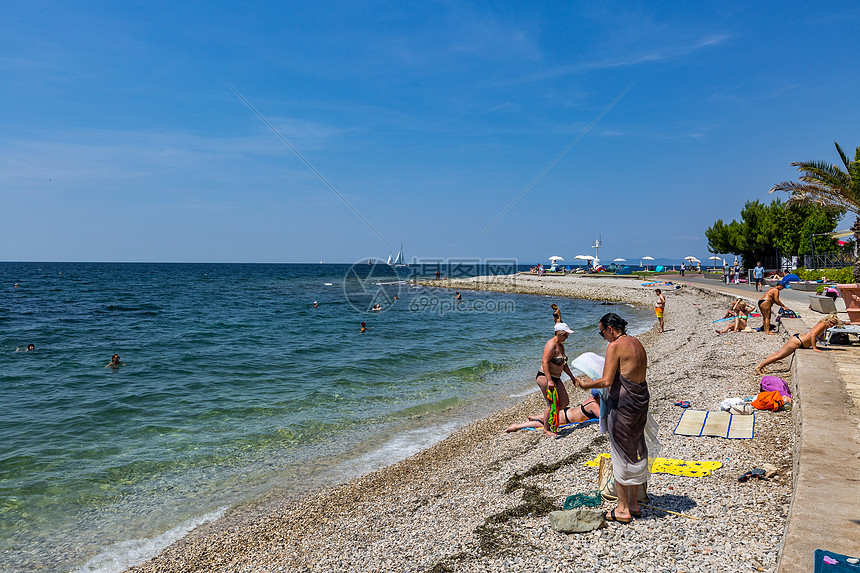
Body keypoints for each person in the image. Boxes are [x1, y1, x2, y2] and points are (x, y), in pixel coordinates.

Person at [575, 313, 651, 523]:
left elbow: (607, 381)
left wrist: (585, 385)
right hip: (640, 401)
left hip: (624, 405)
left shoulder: (615, 346)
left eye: (602, 333)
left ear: (610, 329)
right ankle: (634, 504)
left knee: (620, 453)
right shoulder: (636, 342)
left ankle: (623, 508)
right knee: (634, 449)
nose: (604, 338)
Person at [755, 313, 841, 374]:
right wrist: (814, 348)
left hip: (799, 340)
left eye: (833, 324)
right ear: (828, 320)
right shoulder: (822, 324)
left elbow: (812, 334)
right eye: (831, 323)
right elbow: (813, 335)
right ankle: (759, 367)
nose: (831, 325)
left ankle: (763, 366)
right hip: (798, 341)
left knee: (779, 353)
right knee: (780, 355)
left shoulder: (823, 324)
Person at [535, 322, 577, 438]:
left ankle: (549, 421)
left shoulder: (561, 345)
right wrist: (549, 380)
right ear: (558, 333)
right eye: (565, 335)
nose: (567, 337)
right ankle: (546, 429)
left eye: (567, 335)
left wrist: (572, 377)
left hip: (556, 378)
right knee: (552, 403)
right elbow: (545, 362)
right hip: (545, 377)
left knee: (564, 402)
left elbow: (564, 364)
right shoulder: (551, 344)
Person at [505, 392, 600, 432]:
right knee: (541, 423)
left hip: (567, 413)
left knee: (545, 419)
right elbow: (603, 418)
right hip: (565, 418)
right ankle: (516, 426)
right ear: (599, 397)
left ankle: (534, 417)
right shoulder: (594, 405)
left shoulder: (592, 398)